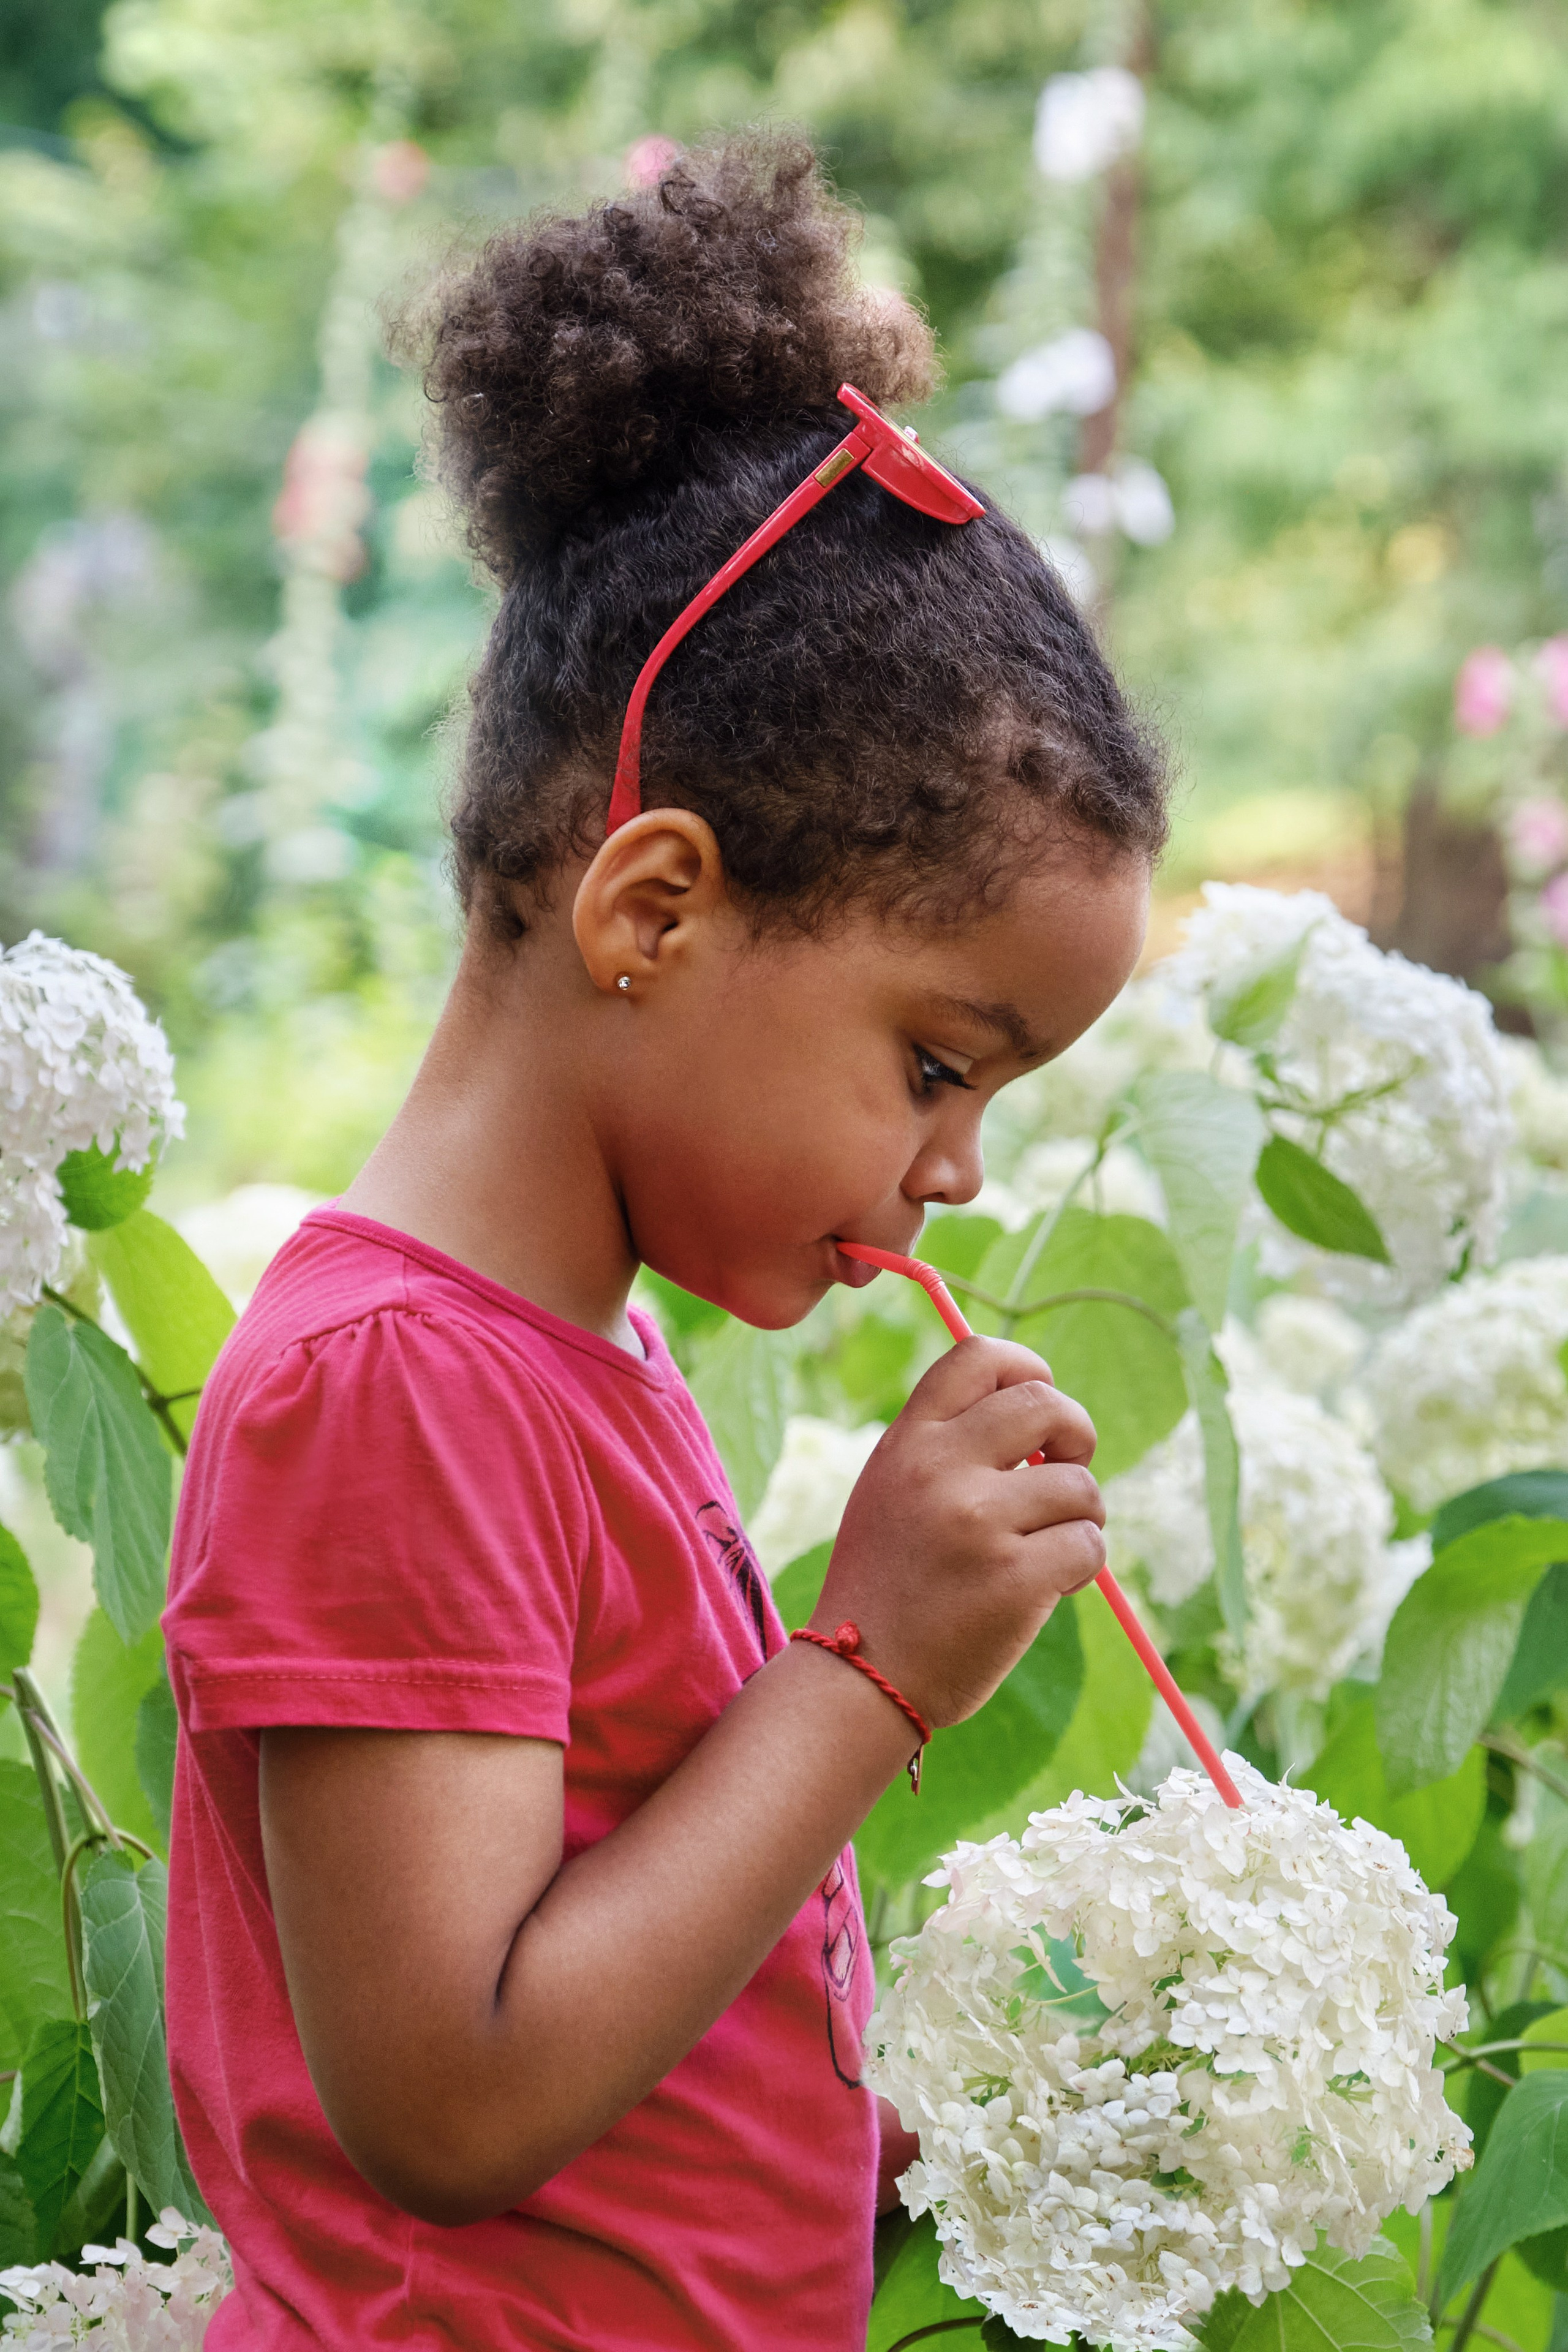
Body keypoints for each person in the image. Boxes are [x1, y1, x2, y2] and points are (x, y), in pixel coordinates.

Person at [161, 130, 1166, 2351]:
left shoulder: (569, 1358)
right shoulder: (398, 1391)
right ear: (655, 910)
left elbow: (642, 1973)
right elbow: (454, 2096)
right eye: (938, 1064)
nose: (959, 1171)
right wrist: (871, 1672)